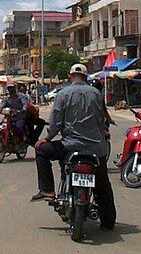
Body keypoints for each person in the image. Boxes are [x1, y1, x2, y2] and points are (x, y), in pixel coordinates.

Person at [31, 63, 116, 231]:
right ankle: (108, 221)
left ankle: (47, 190)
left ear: (70, 76)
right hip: (96, 149)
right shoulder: (97, 94)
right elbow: (102, 120)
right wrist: (103, 133)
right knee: (102, 184)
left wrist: (46, 138)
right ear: (85, 77)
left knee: (41, 150)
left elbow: (55, 123)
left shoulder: (63, 94)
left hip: (70, 147)